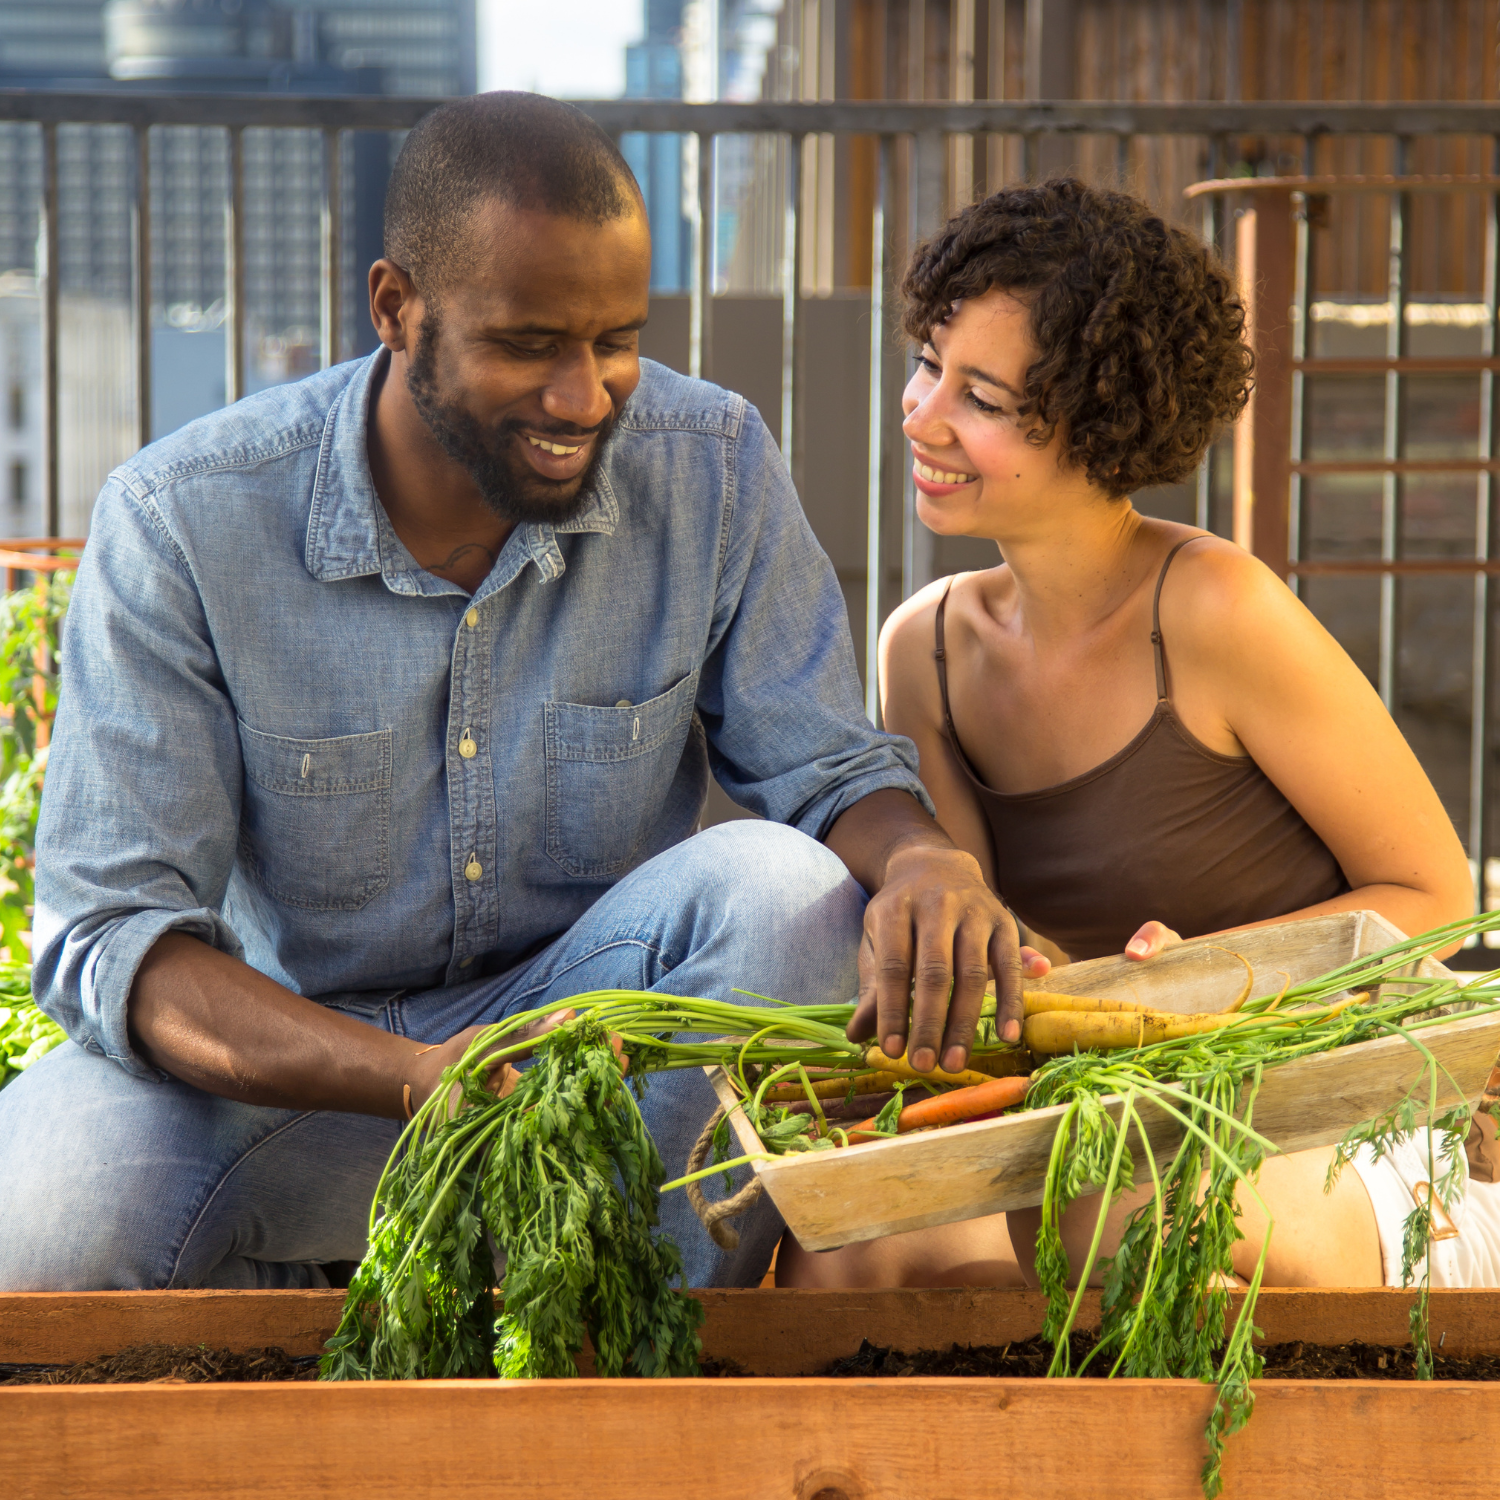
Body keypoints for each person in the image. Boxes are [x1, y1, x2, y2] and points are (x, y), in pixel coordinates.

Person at [0, 93, 1032, 1293]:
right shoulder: (185, 522)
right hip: (291, 1077)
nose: (585, 394)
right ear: (397, 308)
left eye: (614, 340)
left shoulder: (714, 466)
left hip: (600, 1070)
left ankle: (629, 1338)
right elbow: (117, 935)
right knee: (41, 1227)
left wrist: (924, 862)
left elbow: (828, 769)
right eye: (529, 342)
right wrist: (411, 1077)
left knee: (787, 893)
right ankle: (336, 1311)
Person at [778, 177, 1500, 1293]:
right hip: (1082, 1123)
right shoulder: (923, 651)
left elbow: (1433, 896)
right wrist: (1005, 966)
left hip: (1326, 1109)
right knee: (853, 1264)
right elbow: (989, 936)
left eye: (981, 395)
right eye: (929, 364)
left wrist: (1205, 986)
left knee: (1121, 1221)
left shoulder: (1215, 610)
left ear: (1098, 417)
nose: (921, 415)